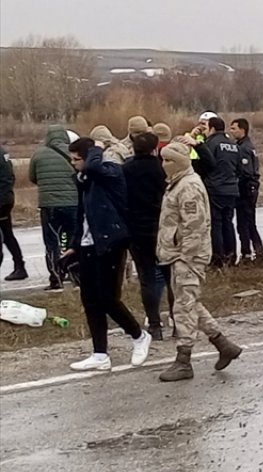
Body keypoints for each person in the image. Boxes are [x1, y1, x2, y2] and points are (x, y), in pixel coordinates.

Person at [155, 141, 243, 381]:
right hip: (178, 254)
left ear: (182, 161)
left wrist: (187, 257)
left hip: (188, 255)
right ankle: (223, 344)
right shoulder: (177, 183)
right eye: (163, 159)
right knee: (189, 302)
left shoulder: (189, 187)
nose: (165, 164)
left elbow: (195, 226)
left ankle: (184, 360)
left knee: (183, 307)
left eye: (170, 160)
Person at [64, 137, 152, 371]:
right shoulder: (85, 179)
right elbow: (81, 214)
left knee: (108, 298)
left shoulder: (111, 172)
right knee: (90, 300)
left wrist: (96, 149)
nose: (72, 164)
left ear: (91, 156)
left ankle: (139, 336)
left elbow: (94, 165)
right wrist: (74, 243)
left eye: (76, 159)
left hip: (111, 242)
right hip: (88, 244)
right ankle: (100, 354)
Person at [122, 132, 169, 338]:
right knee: (170, 276)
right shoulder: (162, 169)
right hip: (163, 228)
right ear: (155, 148)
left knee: (147, 278)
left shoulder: (125, 170)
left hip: (137, 230)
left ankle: (155, 325)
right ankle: (177, 321)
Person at [182, 116, 239, 268]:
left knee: (216, 224)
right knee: (228, 223)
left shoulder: (210, 143)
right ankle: (231, 256)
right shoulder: (232, 144)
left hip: (215, 188)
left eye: (206, 128)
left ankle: (217, 259)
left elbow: (206, 164)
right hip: (232, 189)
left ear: (212, 128)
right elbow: (238, 168)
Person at [29, 125, 80, 290]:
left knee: (52, 243)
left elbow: (33, 177)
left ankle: (56, 279)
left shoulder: (38, 153)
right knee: (72, 241)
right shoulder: (73, 153)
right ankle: (76, 277)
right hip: (72, 204)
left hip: (49, 205)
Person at [228, 118, 263, 265]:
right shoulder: (246, 145)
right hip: (250, 188)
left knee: (245, 223)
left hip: (246, 189)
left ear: (243, 130)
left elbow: (246, 172)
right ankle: (255, 251)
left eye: (234, 128)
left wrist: (237, 181)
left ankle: (249, 253)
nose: (231, 131)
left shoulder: (243, 148)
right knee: (247, 222)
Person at [0, 143, 25, 281]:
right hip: (6, 198)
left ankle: (20, 266)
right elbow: (10, 177)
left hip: (2, 200)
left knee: (6, 235)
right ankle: (19, 265)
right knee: (8, 235)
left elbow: (6, 179)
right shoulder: (2, 153)